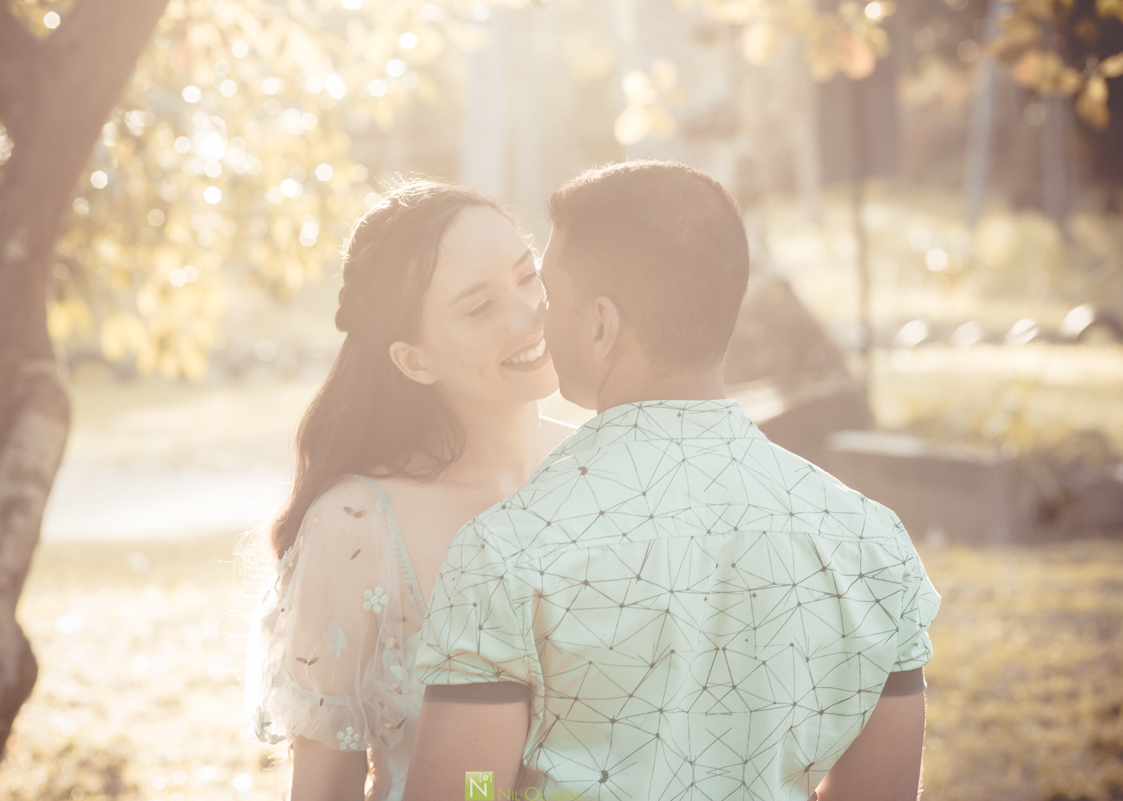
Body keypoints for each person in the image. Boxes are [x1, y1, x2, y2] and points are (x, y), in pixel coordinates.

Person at [404, 161, 942, 801]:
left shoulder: (507, 551)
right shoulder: (872, 545)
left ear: (601, 327)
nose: (536, 320)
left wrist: (481, 789)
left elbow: (472, 791)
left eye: (548, 297)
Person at [245, 181, 575, 801]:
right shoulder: (356, 522)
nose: (530, 313)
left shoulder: (604, 467)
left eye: (528, 276)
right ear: (414, 360)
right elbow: (324, 789)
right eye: (478, 308)